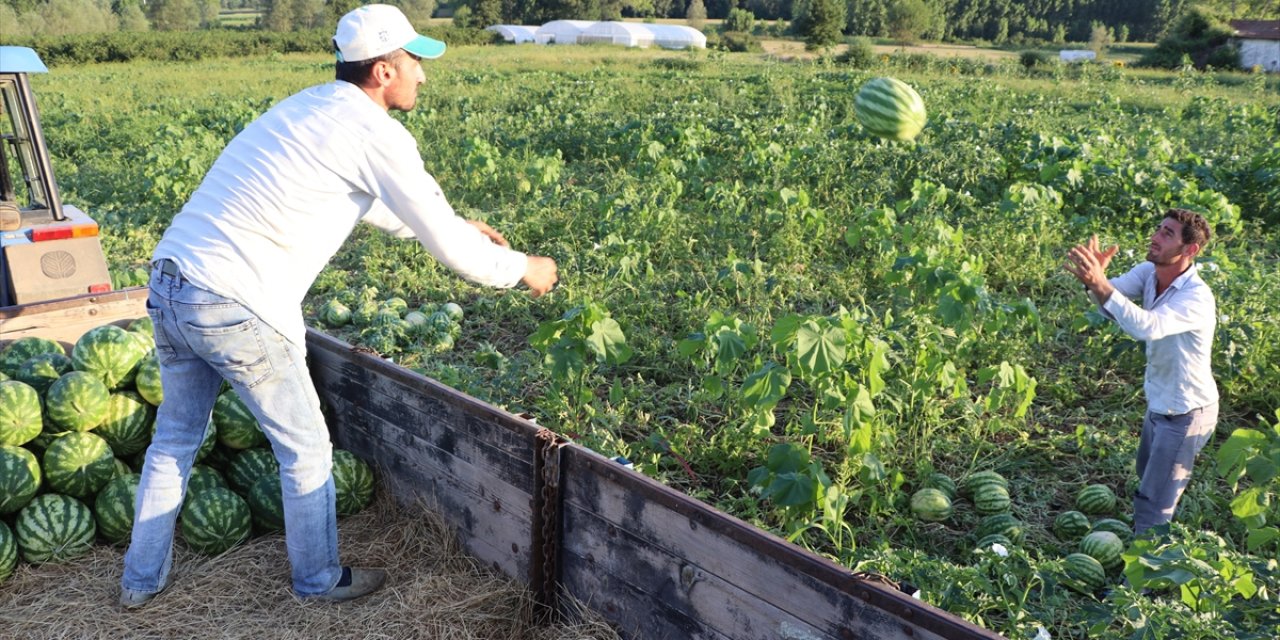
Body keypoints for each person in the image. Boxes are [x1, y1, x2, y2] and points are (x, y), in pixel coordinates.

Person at [120, 4, 558, 608]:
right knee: (304, 449)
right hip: (234, 300)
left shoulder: (307, 107)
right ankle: (319, 580)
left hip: (172, 280)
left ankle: (140, 583)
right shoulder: (374, 131)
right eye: (414, 64)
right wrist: (525, 270)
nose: (423, 76)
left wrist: (458, 223)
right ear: (383, 70)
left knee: (174, 440)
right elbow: (454, 252)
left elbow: (377, 205)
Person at [1063, 208, 1218, 537]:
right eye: (1158, 229)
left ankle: (1143, 583)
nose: (1155, 237)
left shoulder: (1196, 298)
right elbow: (1111, 303)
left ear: (1189, 249)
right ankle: (1149, 542)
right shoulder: (1150, 271)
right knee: (1147, 475)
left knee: (1154, 502)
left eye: (1167, 234)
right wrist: (1094, 283)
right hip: (1160, 402)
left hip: (1187, 412)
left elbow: (1147, 326)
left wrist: (1101, 285)